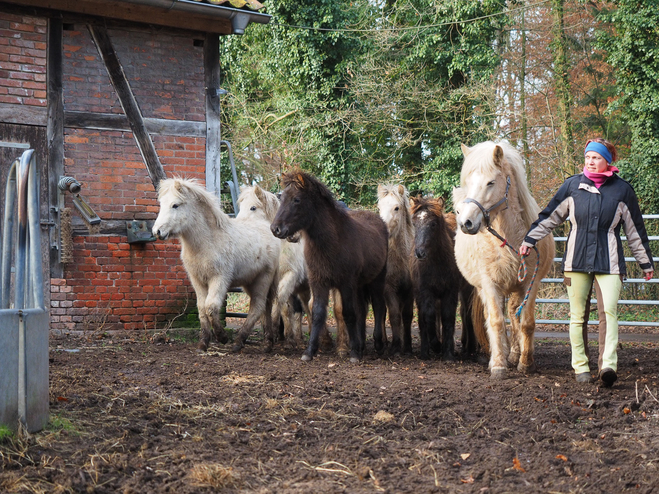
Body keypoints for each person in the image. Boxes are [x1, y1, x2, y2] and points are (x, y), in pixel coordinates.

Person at [519, 138, 654, 386]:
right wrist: (529, 240)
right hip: (576, 261)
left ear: (607, 161)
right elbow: (549, 217)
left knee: (609, 314)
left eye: (596, 158)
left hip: (610, 262)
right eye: (588, 157)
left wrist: (645, 263)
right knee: (577, 316)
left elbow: (635, 230)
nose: (591, 162)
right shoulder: (572, 186)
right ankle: (580, 367)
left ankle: (607, 366)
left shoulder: (622, 190)